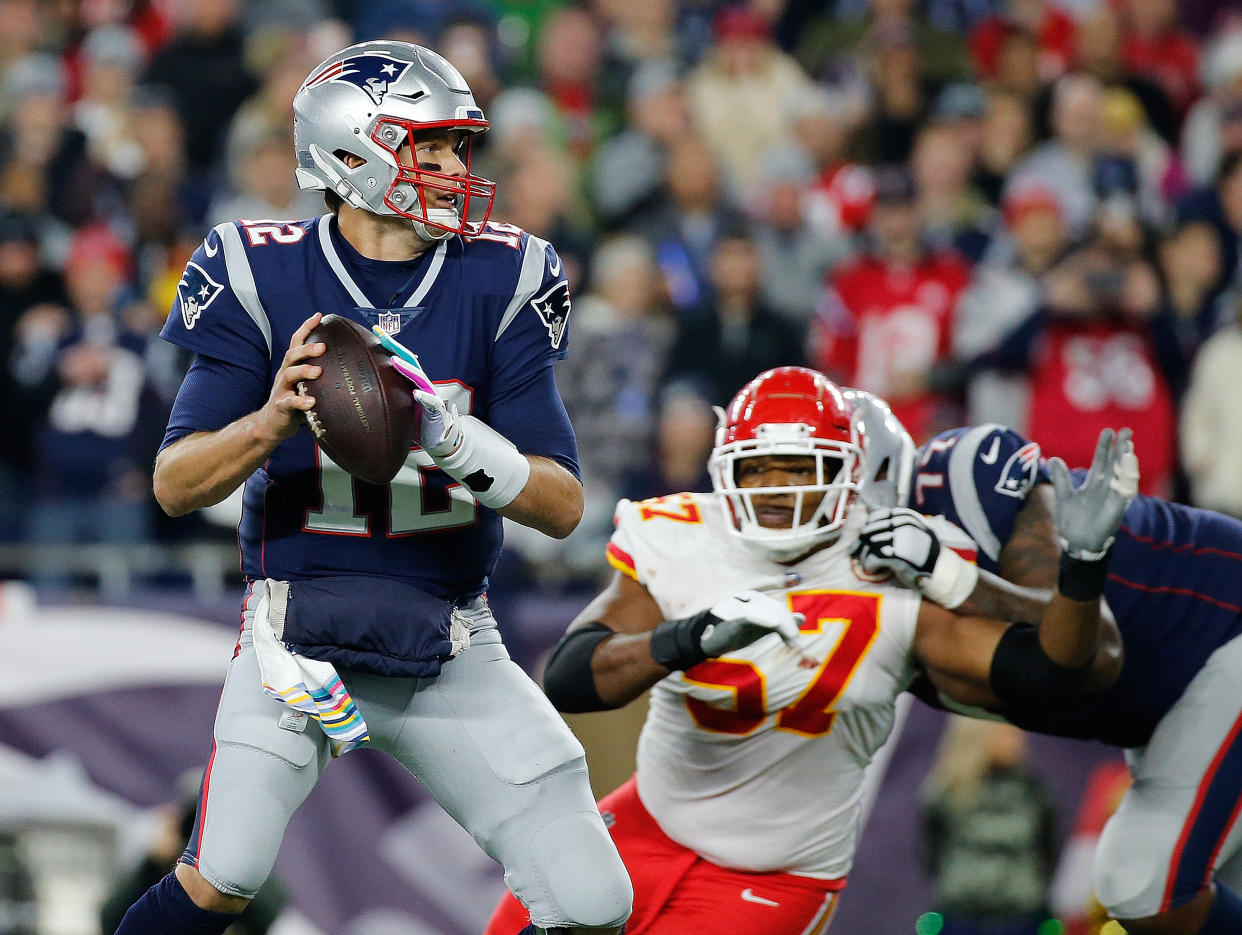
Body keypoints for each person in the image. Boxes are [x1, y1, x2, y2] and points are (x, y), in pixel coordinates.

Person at [113, 40, 632, 935]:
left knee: (594, 900)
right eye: (428, 147)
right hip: (295, 633)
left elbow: (561, 504)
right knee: (223, 871)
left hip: (450, 634)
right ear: (351, 153)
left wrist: (451, 435)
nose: (452, 167)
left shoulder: (501, 274)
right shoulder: (259, 266)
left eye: (457, 147)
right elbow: (173, 481)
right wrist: (269, 421)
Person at [485, 365, 1136, 935]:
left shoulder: (897, 570)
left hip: (777, 872)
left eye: (800, 466)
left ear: (848, 473)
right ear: (724, 470)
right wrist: (687, 639)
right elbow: (570, 677)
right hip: (647, 821)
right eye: (757, 467)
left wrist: (1079, 568)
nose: (776, 487)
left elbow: (1054, 673)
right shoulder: (688, 536)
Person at [853, 407, 1242, 935]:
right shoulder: (826, 590)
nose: (786, 495)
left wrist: (947, 575)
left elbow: (1096, 651)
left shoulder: (963, 478)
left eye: (810, 472)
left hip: (1221, 631)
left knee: (1145, 883)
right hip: (1166, 699)